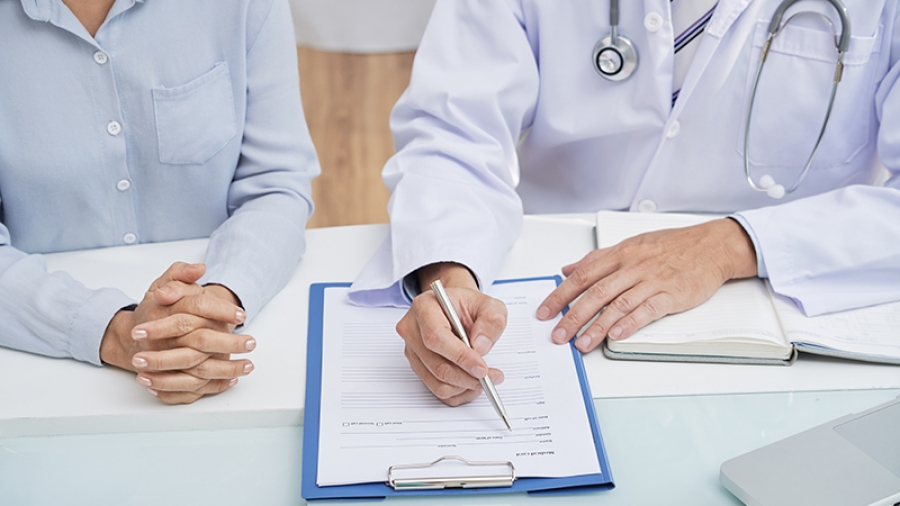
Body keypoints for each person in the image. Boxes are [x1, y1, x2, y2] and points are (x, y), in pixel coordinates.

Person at [349, 0, 900, 406]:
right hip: (548, 292)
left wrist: (732, 243)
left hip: (786, 304)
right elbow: (454, 131)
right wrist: (450, 276)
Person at [0, 0, 319, 404]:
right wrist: (114, 332)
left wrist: (215, 303)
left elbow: (275, 182)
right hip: (36, 366)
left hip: (231, 354)